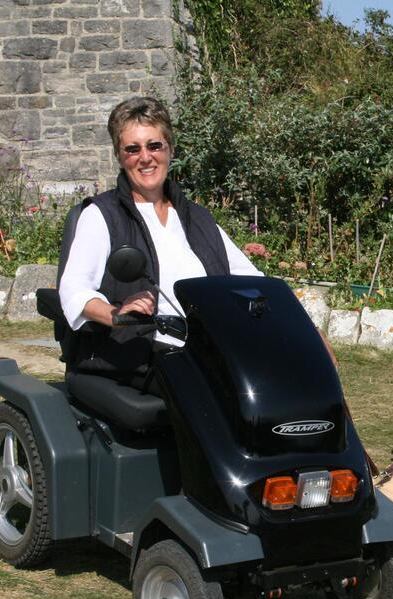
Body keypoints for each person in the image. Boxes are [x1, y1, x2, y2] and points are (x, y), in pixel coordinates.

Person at [58, 96, 262, 384]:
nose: (145, 157)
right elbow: (74, 289)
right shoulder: (102, 215)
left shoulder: (197, 218)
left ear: (170, 149)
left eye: (154, 145)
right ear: (119, 156)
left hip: (205, 353)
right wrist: (117, 314)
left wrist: (307, 334)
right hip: (136, 359)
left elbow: (252, 279)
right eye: (132, 149)